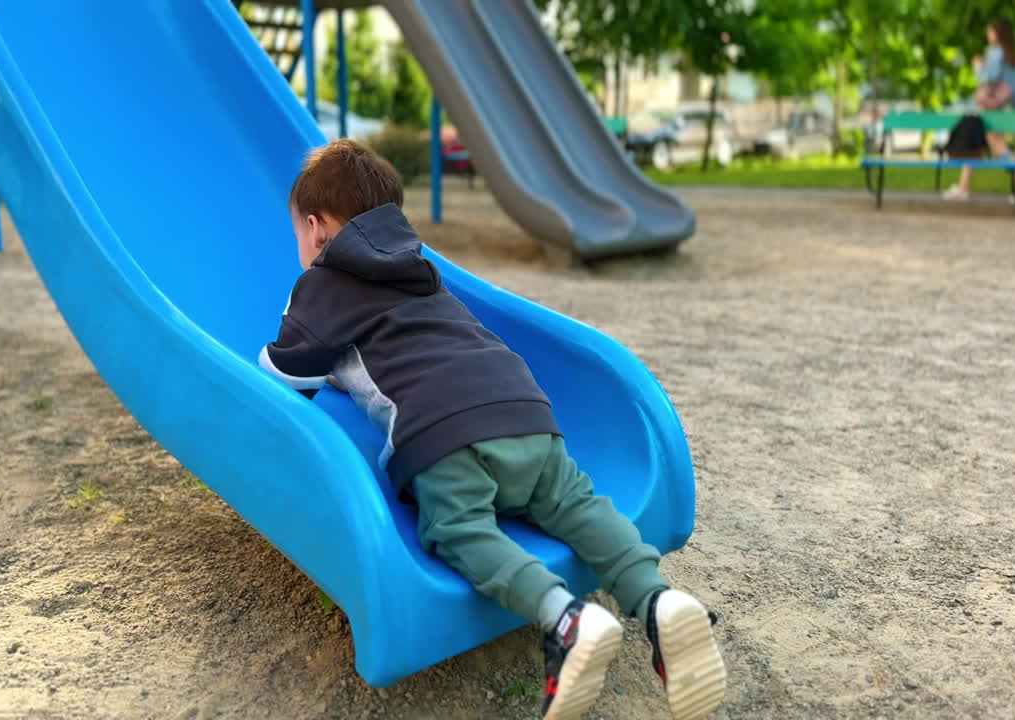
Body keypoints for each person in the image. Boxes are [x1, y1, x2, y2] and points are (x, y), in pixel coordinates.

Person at [259, 139, 726, 720]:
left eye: (300, 238)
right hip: (525, 410)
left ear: (316, 227)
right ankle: (657, 599)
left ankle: (565, 618)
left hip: (445, 432)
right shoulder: (421, 269)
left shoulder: (323, 282)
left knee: (458, 529)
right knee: (575, 504)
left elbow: (284, 375)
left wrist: (296, 345)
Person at [943, 20, 1015, 202]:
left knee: (995, 146)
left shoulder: (995, 52)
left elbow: (989, 79)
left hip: (990, 107)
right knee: (980, 144)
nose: (988, 35)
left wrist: (978, 67)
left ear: (997, 33)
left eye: (990, 31)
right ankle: (963, 188)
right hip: (1005, 108)